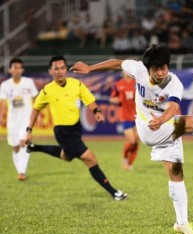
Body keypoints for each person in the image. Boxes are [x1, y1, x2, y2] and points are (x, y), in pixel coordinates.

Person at [70, 44, 193, 234]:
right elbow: (117, 63)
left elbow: (173, 107)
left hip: (163, 125)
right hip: (147, 127)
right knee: (191, 122)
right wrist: (90, 68)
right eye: (155, 69)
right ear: (148, 68)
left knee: (175, 170)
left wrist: (161, 119)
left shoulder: (174, 83)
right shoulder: (138, 69)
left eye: (163, 68)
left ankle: (181, 223)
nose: (160, 73)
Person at [25, 55, 127, 201]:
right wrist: (29, 130)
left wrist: (97, 112)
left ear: (66, 69)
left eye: (62, 68)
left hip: (76, 128)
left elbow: (89, 99)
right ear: (50, 71)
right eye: (56, 68)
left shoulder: (76, 84)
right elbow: (35, 109)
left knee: (66, 156)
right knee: (91, 159)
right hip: (62, 132)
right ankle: (114, 192)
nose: (60, 71)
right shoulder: (47, 90)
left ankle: (35, 147)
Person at [0, 58, 38, 180]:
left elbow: (35, 99)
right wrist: (1, 116)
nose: (17, 70)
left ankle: (22, 172)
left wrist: (37, 115)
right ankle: (20, 169)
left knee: (24, 143)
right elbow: (2, 102)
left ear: (23, 70)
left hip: (26, 120)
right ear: (10, 70)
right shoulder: (5, 85)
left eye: (19, 68)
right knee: (15, 147)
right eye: (15, 67)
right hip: (13, 121)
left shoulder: (29, 82)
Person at [110, 71, 139, 170]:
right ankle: (125, 158)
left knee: (136, 142)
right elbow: (112, 99)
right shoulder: (118, 84)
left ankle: (130, 164)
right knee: (131, 141)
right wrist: (116, 101)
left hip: (137, 116)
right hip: (125, 116)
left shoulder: (137, 83)